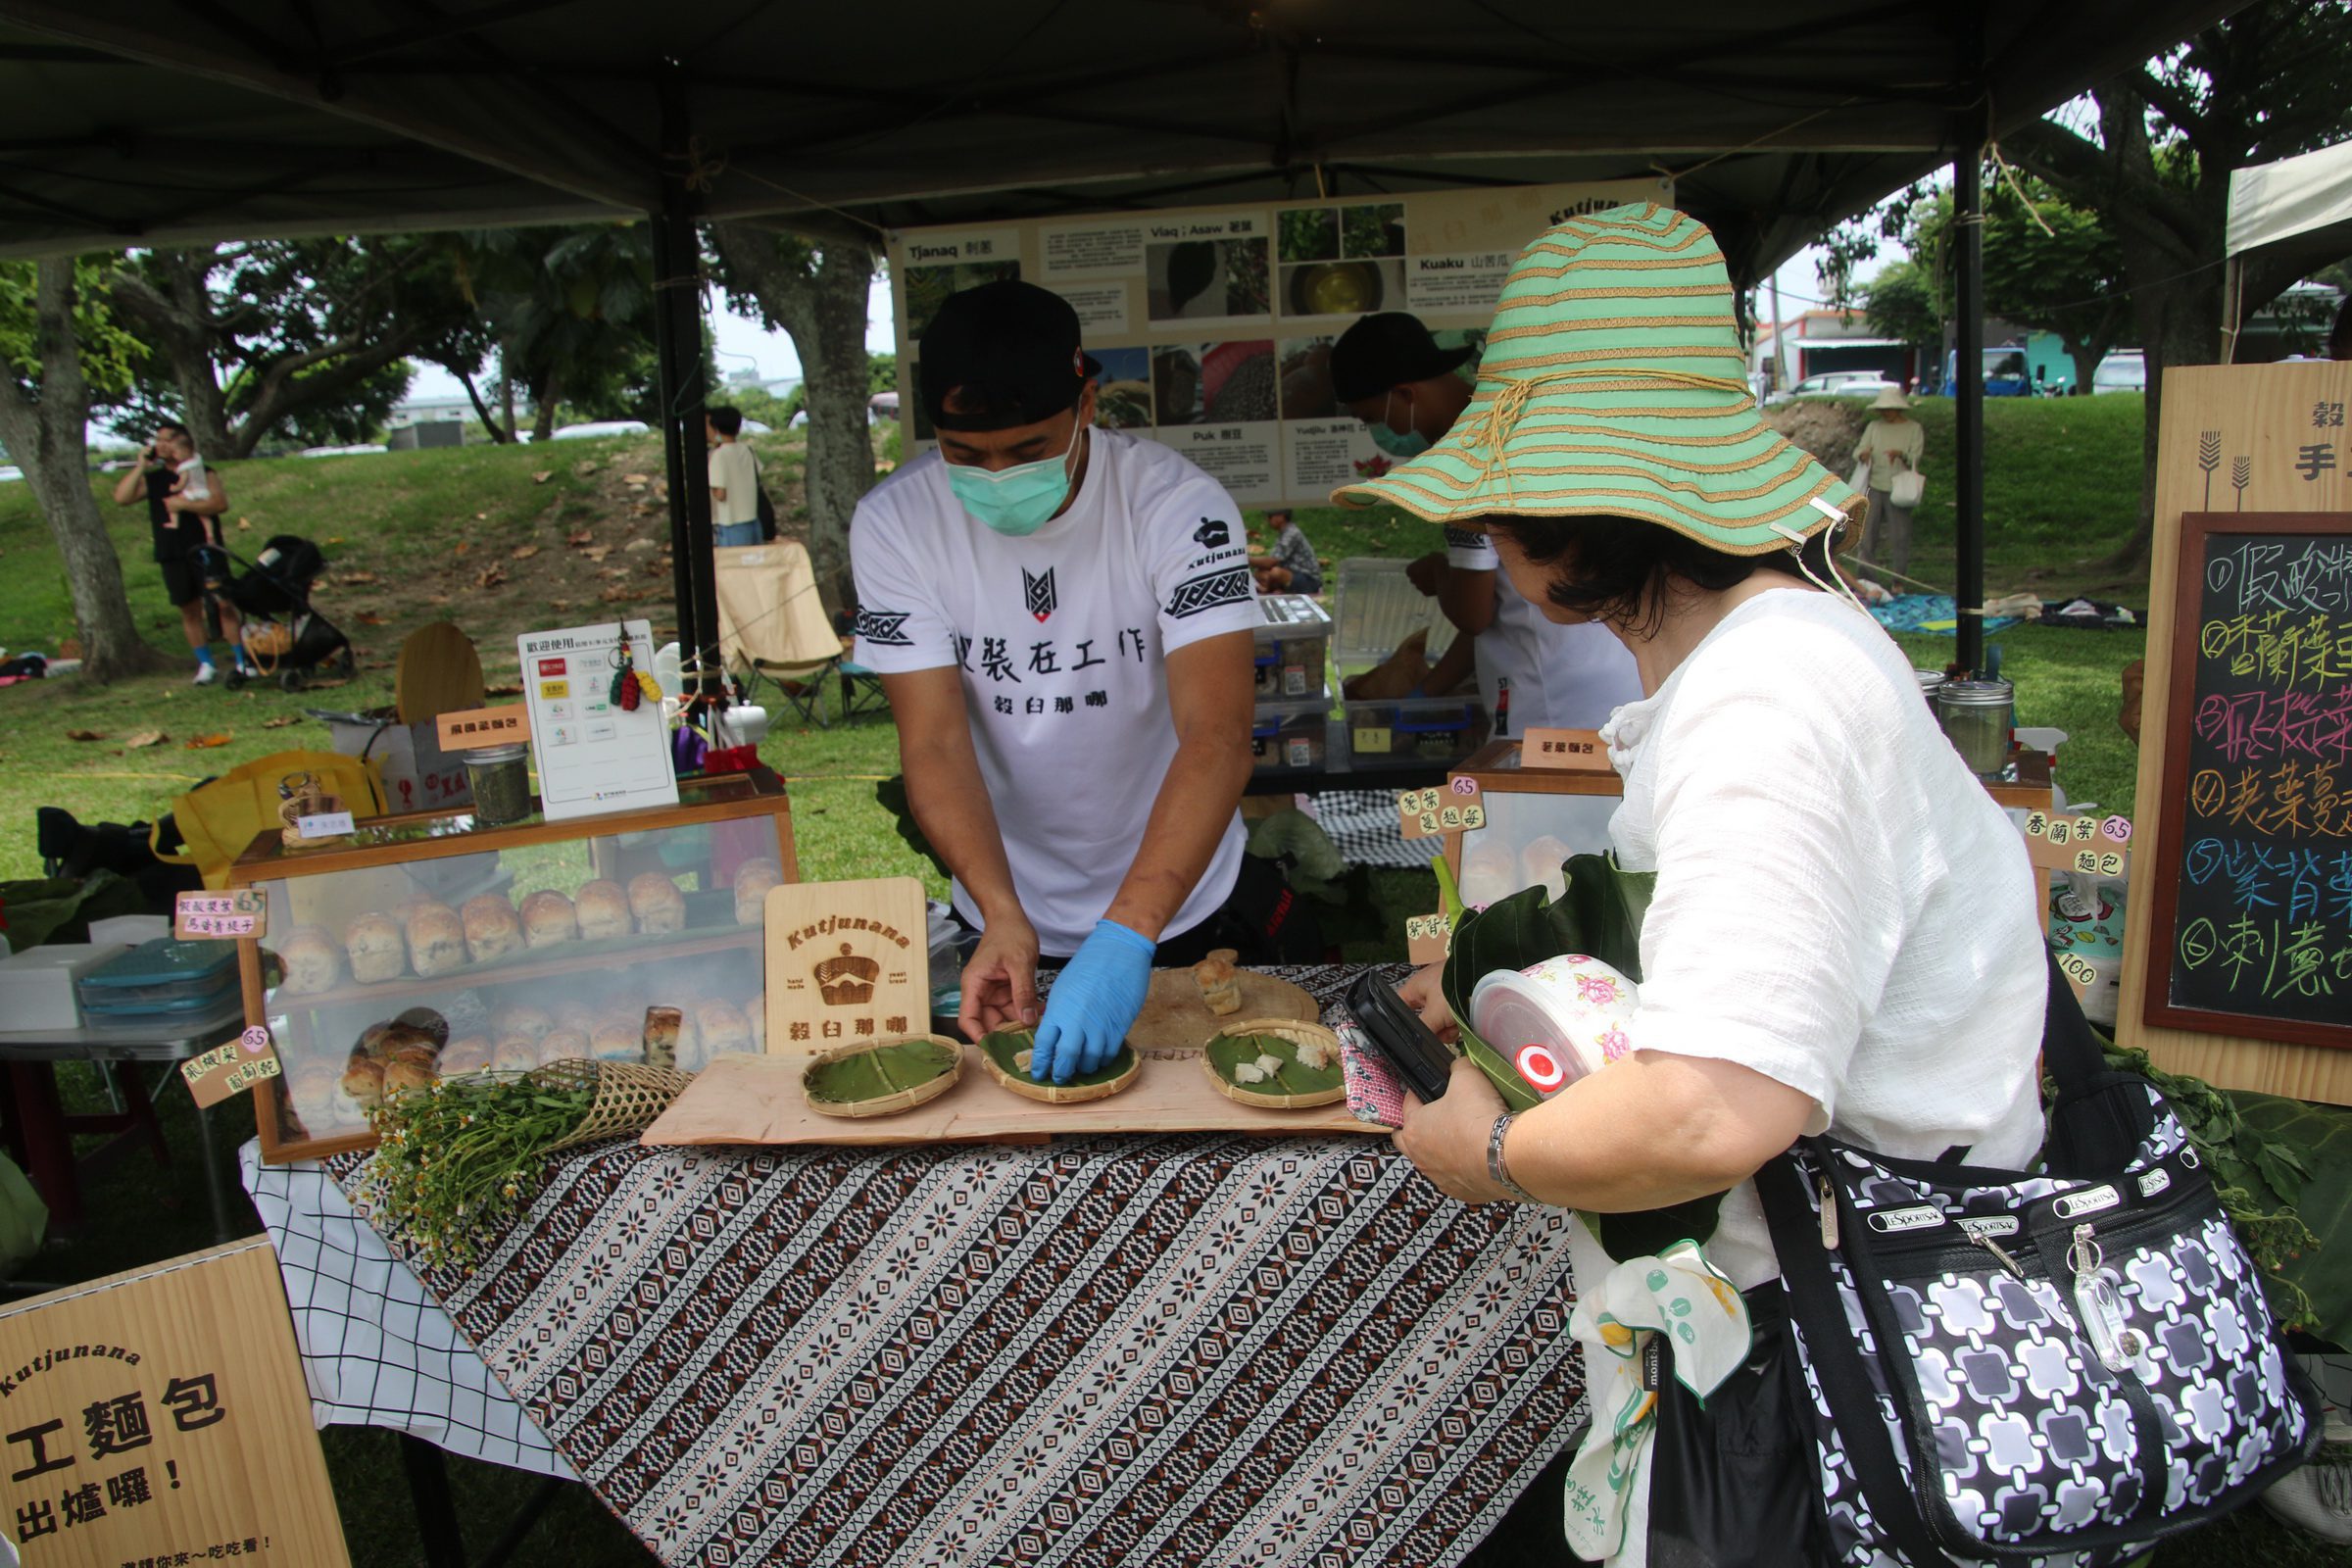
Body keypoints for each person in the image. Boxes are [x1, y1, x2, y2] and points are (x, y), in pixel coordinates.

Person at [1337, 204, 2045, 1563]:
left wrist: (1488, 1154)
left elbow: (1717, 1108)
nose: (1488, 524)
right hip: (1805, 1314)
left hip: (1823, 1364)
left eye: (1503, 496)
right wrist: (1496, 984)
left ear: (1570, 517)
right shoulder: (1776, 655)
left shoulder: (1765, 704)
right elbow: (1725, 960)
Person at [851, 279, 1301, 1085]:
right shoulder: (894, 525)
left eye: (1026, 451)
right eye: (964, 455)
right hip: (1005, 904)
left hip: (1181, 893)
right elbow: (934, 741)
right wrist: (998, 910)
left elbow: (1219, 733)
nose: (995, 477)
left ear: (1087, 403)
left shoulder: (1176, 506)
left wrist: (1127, 933)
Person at [1331, 311, 1642, 733]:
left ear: (1403, 394)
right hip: (1611, 678)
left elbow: (1474, 613)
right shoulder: (1519, 429)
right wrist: (1422, 693)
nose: (1376, 432)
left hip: (1552, 699)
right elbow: (1498, 611)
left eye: (1370, 418)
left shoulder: (1469, 460)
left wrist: (1440, 574)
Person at [111, 420, 244, 684]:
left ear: (182, 442)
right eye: (158, 440)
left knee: (223, 603)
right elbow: (122, 498)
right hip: (172, 550)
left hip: (205, 548)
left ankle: (242, 659)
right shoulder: (156, 479)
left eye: (167, 439)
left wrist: (184, 504)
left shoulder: (201, 471)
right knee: (188, 608)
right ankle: (206, 663)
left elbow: (219, 503)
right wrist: (140, 467)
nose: (161, 445)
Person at [1851, 385, 1925, 575]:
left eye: (1889, 409)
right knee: (1867, 535)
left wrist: (1901, 454)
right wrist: (1863, 455)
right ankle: (1866, 577)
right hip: (1874, 485)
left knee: (1900, 536)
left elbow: (1916, 456)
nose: (1886, 413)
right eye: (1883, 409)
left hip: (1899, 487)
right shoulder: (1874, 427)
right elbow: (1859, 450)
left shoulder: (1913, 428)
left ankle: (1899, 579)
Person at [706, 406, 761, 548]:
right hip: (753, 518)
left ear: (715, 428)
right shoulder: (747, 450)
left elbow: (720, 494)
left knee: (734, 565)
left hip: (731, 522)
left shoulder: (718, 455)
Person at [1249, 508, 1321, 596]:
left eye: (1270, 516)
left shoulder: (1291, 533)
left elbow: (1271, 562)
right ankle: (1275, 589)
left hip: (1308, 579)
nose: (1267, 520)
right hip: (1293, 574)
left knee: (1276, 573)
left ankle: (1274, 590)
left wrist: (1245, 559)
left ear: (1281, 517)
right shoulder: (1284, 533)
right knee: (1260, 573)